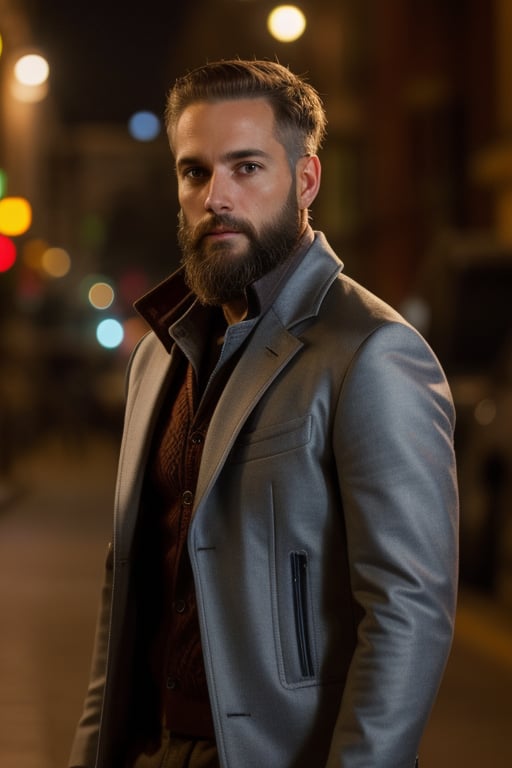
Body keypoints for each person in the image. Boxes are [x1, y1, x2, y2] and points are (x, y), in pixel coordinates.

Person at [69, 59, 458, 768]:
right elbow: (124, 594)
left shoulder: (372, 353)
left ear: (306, 180)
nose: (216, 195)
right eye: (194, 172)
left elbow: (408, 614)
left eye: (246, 167)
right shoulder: (158, 358)